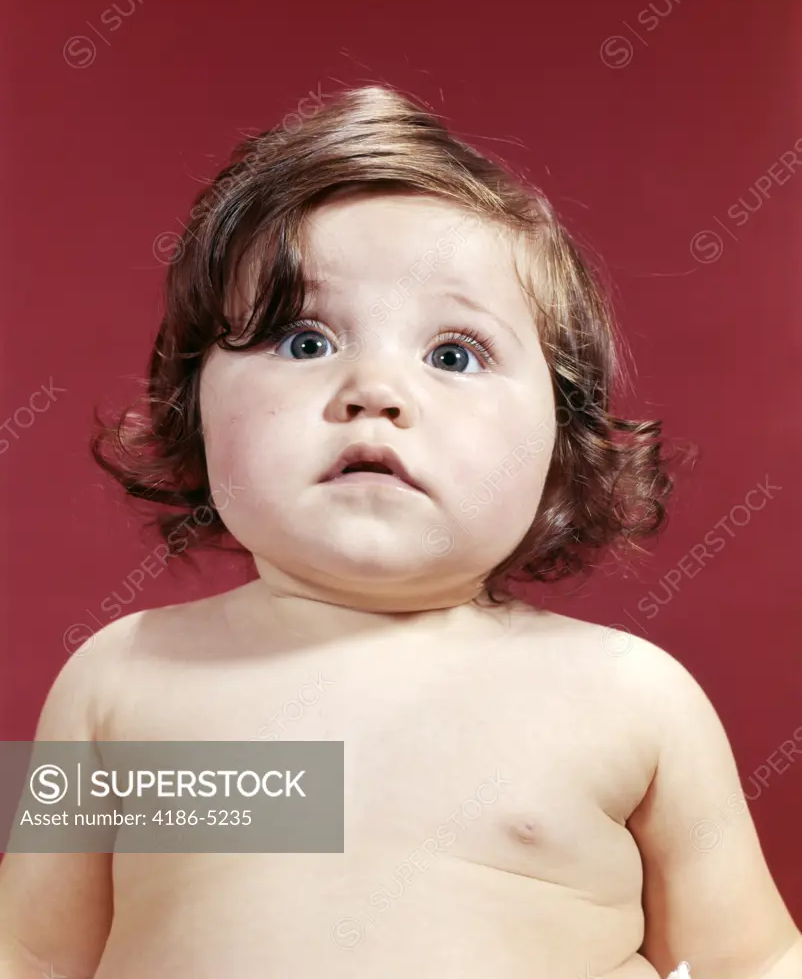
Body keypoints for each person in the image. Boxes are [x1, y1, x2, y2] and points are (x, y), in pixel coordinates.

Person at [0, 85, 800, 979]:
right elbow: (32, 953)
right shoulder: (125, 677)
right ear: (191, 406)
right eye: (303, 341)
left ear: (563, 437)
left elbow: (757, 962)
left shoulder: (633, 697)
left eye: (454, 355)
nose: (373, 388)